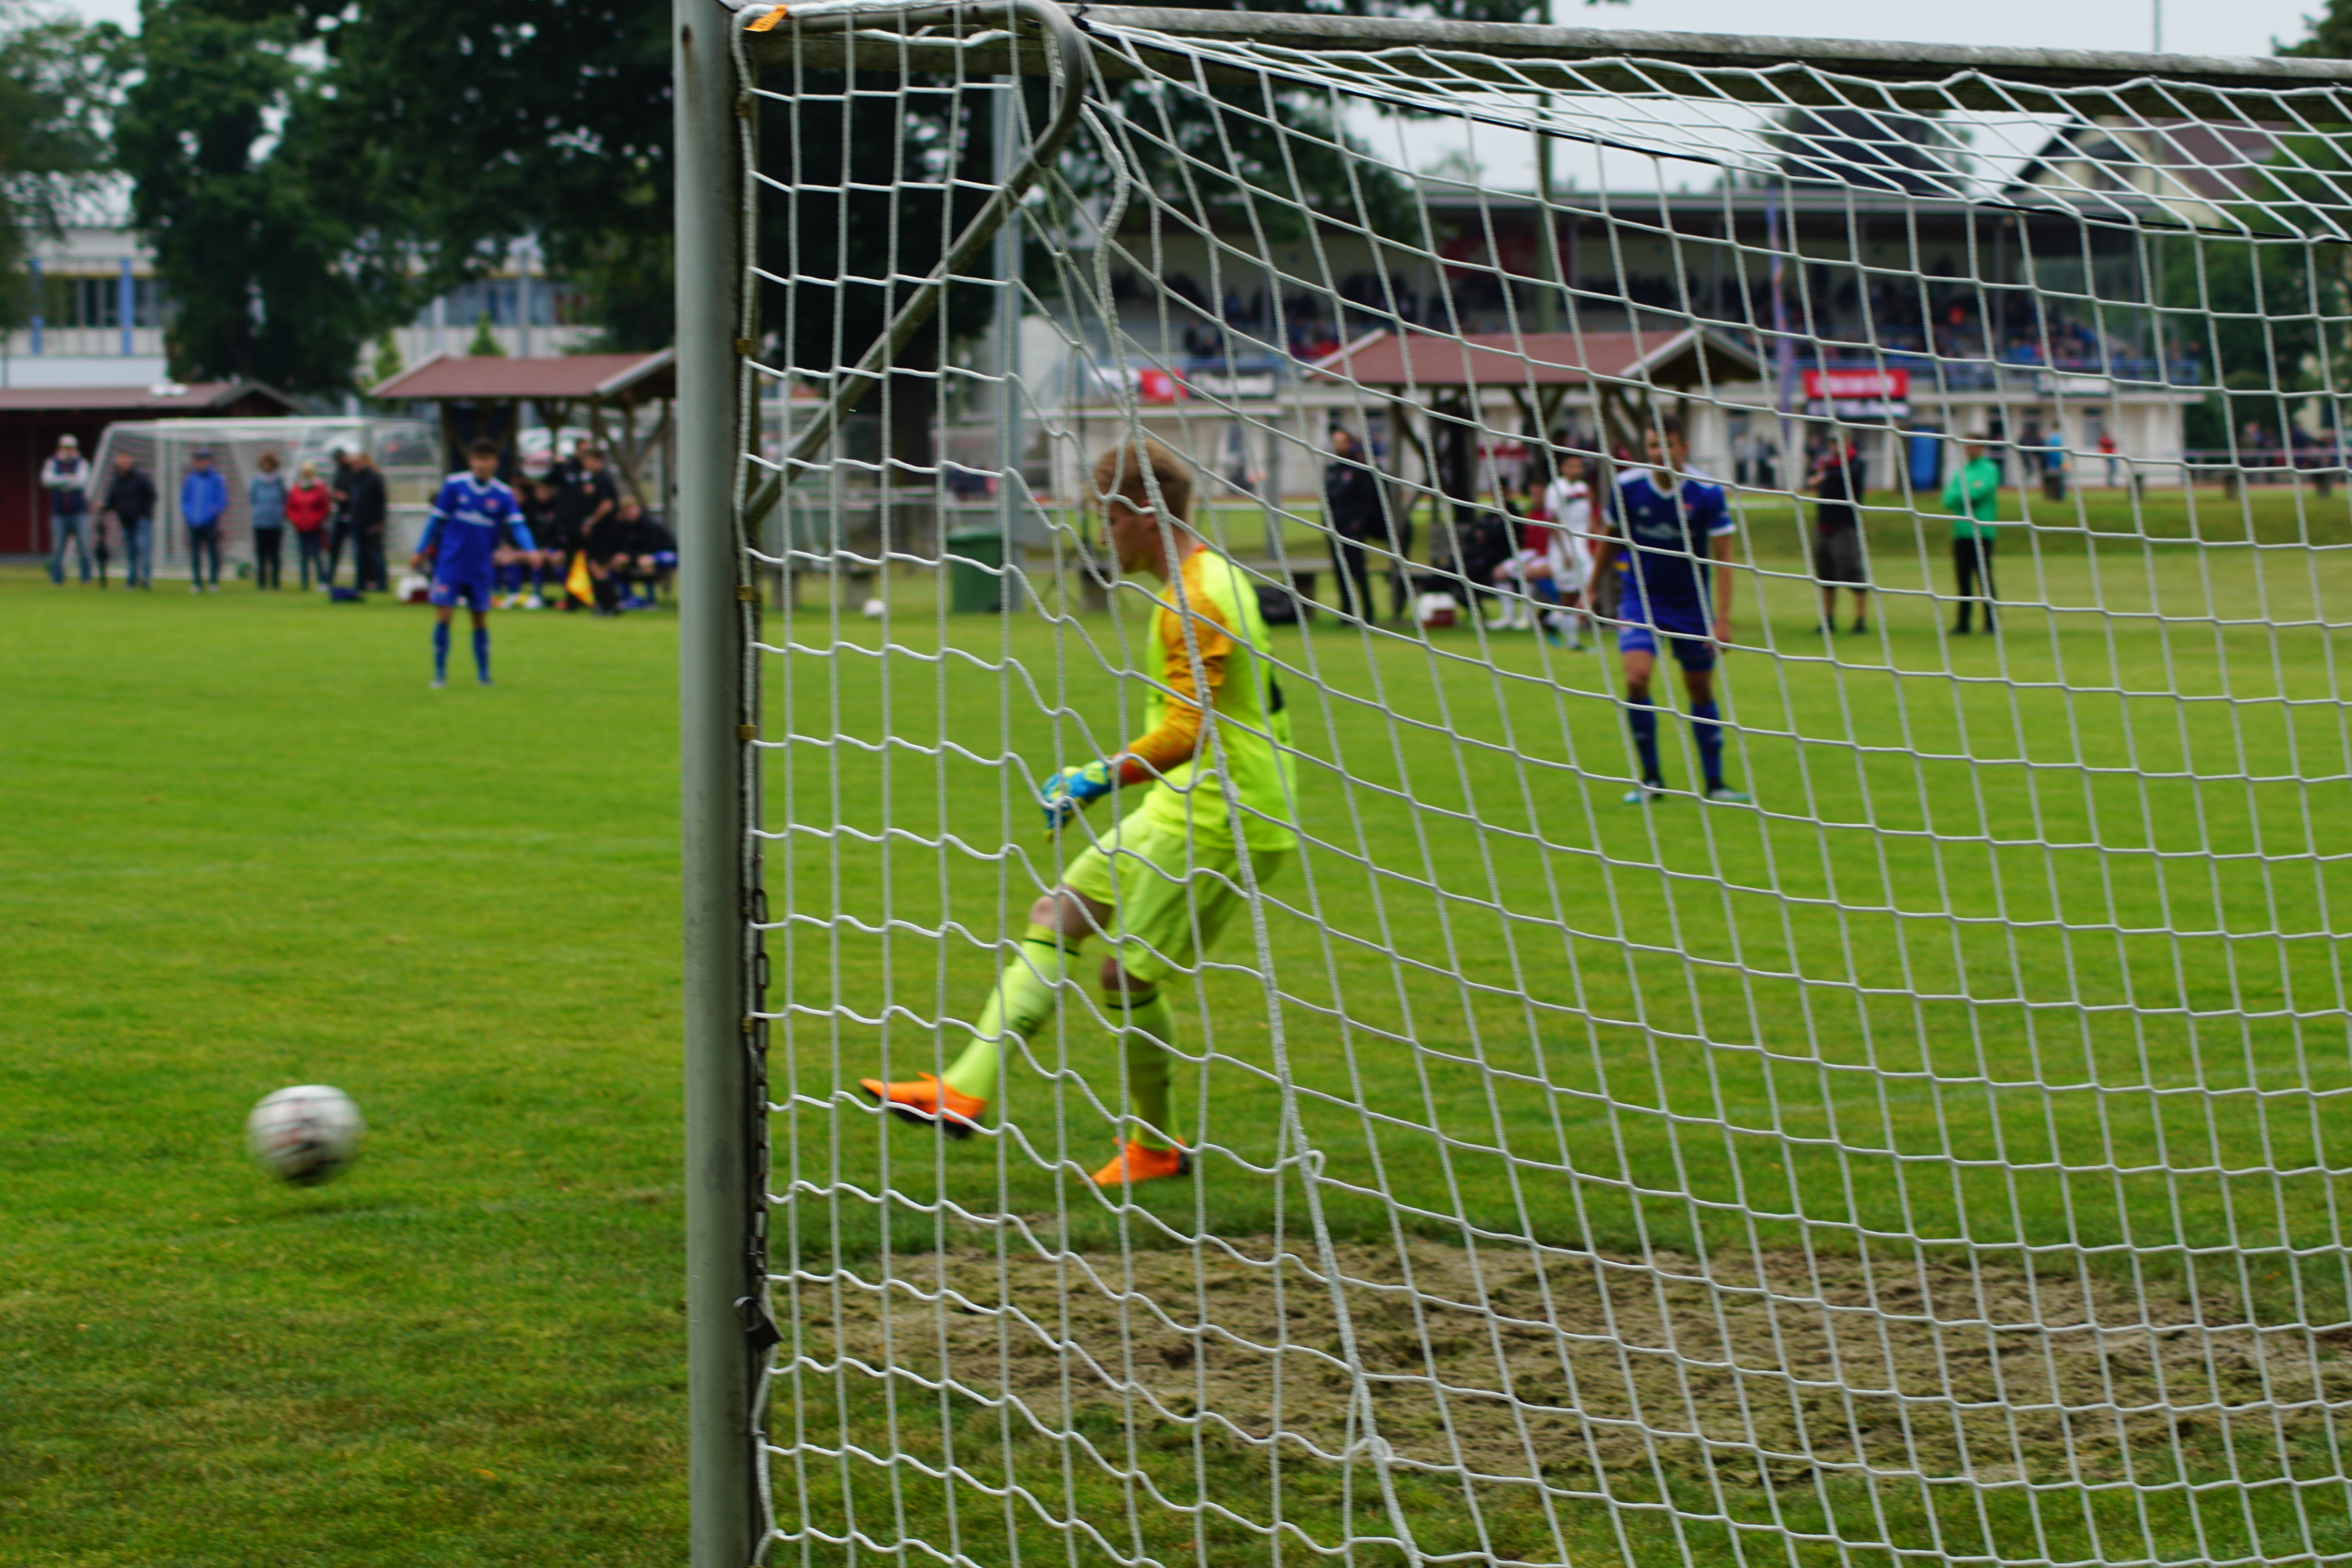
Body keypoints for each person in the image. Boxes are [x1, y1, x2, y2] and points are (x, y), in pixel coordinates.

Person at [860, 436, 1297, 1188]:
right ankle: (965, 1088)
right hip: (1184, 805)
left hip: (1228, 815)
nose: (1101, 534)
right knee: (1061, 910)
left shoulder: (1195, 599)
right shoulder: (1202, 580)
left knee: (1126, 979)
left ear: (1136, 514)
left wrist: (1097, 776)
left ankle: (1155, 1148)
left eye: (1105, 518)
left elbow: (1189, 732)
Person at [1593, 416, 1749, 806]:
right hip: (1639, 598)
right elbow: (1611, 539)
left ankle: (1714, 783)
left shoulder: (1707, 492)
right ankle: (1651, 780)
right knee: (1637, 677)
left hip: (1690, 605)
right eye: (1653, 446)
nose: (1660, 453)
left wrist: (1723, 619)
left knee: (1699, 686)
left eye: (1668, 446)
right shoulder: (1628, 487)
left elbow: (1725, 555)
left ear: (1684, 448)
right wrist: (1590, 587)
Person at [411, 437, 531, 687]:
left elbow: (518, 526)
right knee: (444, 614)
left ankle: (484, 675)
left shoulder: (502, 494)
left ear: (495, 463)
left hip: (480, 567)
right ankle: (440, 674)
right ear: (471, 461)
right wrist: (421, 549)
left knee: (480, 619)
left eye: (486, 460)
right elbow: (436, 522)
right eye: (477, 459)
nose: (481, 465)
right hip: (451, 564)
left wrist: (531, 550)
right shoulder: (455, 486)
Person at [1322, 426, 1393, 622]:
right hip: (1335, 527)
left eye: (1342, 442)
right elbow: (1328, 499)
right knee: (1340, 570)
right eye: (1336, 442)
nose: (1339, 446)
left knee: (1357, 569)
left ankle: (1368, 611)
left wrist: (1359, 524)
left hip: (1352, 527)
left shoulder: (1360, 470)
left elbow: (1369, 501)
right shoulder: (1332, 471)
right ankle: (1346, 612)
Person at [1942, 432, 2002, 634]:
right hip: (1961, 531)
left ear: (1982, 448)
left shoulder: (1989, 469)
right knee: (1963, 579)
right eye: (1967, 446)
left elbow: (1979, 493)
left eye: (1974, 446)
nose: (1970, 450)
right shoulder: (1962, 472)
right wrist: (1963, 495)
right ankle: (1963, 623)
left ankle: (1991, 623)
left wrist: (1961, 495)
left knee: (1984, 578)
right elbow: (1948, 498)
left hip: (1982, 531)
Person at [1539, 451, 1597, 650]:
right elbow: (1553, 522)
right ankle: (1572, 642)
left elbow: (1590, 519)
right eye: (1571, 466)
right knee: (1568, 595)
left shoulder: (1583, 488)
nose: (1576, 470)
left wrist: (1597, 541)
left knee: (1588, 588)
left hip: (1582, 548)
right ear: (1563, 468)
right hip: (1563, 549)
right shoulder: (1556, 489)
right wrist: (1564, 553)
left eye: (1579, 466)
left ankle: (1552, 620)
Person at [1811, 437, 1868, 634]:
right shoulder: (1829, 466)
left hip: (1844, 527)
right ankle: (1828, 619)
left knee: (1850, 571)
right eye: (1833, 443)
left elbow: (1846, 477)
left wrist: (1823, 475)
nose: (1835, 447)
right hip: (1824, 525)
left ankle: (1860, 620)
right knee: (1825, 574)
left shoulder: (1855, 464)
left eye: (1840, 443)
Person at [100, 450, 156, 590]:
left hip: (141, 520)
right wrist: (104, 507)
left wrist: (145, 513)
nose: (123, 464)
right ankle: (132, 580)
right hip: (125, 521)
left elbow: (151, 495)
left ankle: (146, 578)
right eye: (121, 461)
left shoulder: (140, 479)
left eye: (126, 461)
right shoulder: (116, 481)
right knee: (130, 552)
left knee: (143, 548)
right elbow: (112, 501)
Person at [42, 434, 92, 586]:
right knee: (58, 549)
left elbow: (82, 482)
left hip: (79, 512)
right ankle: (57, 579)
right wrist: (68, 479)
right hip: (59, 513)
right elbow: (47, 481)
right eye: (65, 447)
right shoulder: (52, 463)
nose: (68, 451)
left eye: (71, 448)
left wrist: (59, 483)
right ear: (60, 448)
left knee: (84, 546)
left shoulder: (82, 463)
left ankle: (86, 579)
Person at [181, 448, 229, 593]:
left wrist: (213, 512)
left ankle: (214, 581)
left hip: (210, 521)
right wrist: (189, 514)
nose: (201, 464)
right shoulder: (191, 479)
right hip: (193, 522)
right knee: (195, 553)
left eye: (204, 461)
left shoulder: (216, 479)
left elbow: (222, 500)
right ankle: (197, 582)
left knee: (213, 552)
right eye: (198, 461)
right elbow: (185, 500)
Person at [347, 448, 390, 592]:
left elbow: (381, 502)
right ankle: (361, 583)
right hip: (358, 522)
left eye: (357, 463)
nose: (354, 466)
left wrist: (379, 522)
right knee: (360, 555)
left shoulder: (374, 478)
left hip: (372, 523)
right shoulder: (355, 479)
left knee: (375, 554)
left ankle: (382, 583)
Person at [286, 461, 333, 590]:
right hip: (300, 528)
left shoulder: (319, 487)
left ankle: (322, 581)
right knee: (303, 556)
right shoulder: (297, 488)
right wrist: (296, 519)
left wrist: (316, 519)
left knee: (317, 555)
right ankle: (304, 583)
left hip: (315, 528)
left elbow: (325, 507)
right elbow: (291, 507)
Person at [249, 452, 289, 590]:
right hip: (260, 522)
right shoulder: (256, 481)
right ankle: (261, 583)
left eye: (269, 463)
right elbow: (252, 498)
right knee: (261, 555)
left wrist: (279, 512)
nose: (267, 466)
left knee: (275, 555)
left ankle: (276, 583)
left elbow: (285, 498)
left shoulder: (279, 481)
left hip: (276, 523)